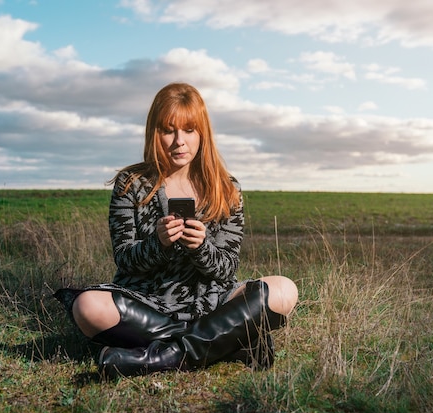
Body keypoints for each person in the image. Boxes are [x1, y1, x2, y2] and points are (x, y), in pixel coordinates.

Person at [54, 82, 298, 379]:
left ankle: (163, 357)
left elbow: (227, 269)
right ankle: (227, 343)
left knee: (284, 290)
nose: (178, 141)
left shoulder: (227, 189)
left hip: (213, 302)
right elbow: (124, 260)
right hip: (147, 303)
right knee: (87, 306)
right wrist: (158, 244)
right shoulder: (131, 184)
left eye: (189, 130)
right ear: (154, 133)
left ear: (202, 133)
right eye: (168, 130)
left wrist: (202, 248)